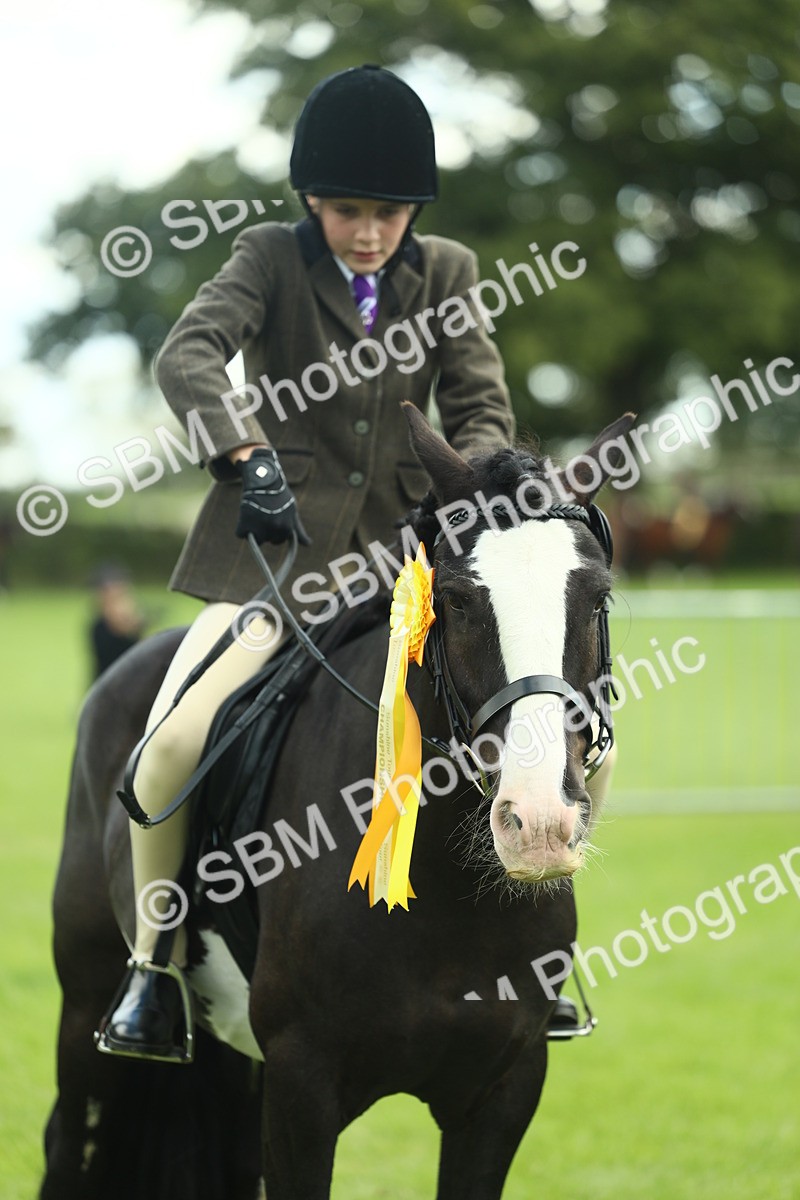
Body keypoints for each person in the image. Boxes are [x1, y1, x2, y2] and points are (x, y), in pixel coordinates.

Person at [99, 64, 609, 1061]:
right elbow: (187, 355)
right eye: (347, 213)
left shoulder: (448, 271)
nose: (369, 232)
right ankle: (153, 966)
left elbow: (480, 404)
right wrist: (244, 454)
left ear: (414, 213)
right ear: (310, 202)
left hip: (409, 574)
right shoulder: (266, 259)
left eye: (387, 214)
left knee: (575, 730)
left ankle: (543, 951)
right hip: (274, 568)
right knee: (172, 741)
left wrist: (479, 488)